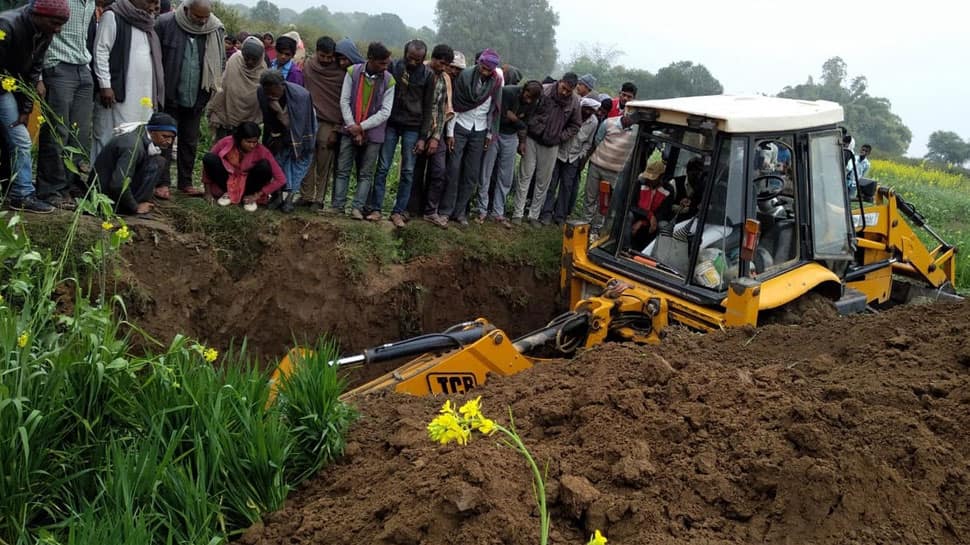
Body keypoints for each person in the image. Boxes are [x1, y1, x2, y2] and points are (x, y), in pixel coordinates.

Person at [0, 0, 70, 214]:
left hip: (11, 86)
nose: (58, 30)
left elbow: (33, 69)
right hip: (3, 86)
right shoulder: (6, 25)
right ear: (38, 15)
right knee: (19, 137)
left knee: (14, 137)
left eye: (62, 24)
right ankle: (21, 194)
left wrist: (26, 108)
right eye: (55, 23)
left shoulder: (43, 31)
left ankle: (15, 190)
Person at [155, 0, 225, 197]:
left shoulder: (214, 29)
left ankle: (185, 182)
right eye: (198, 17)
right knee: (165, 141)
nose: (203, 21)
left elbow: (219, 61)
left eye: (206, 17)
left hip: (196, 97)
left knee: (190, 141)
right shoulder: (165, 23)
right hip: (169, 96)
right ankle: (162, 183)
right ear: (186, 10)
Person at [35, 0, 97, 210]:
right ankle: (51, 190)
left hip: (82, 67)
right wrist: (40, 76)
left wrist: (87, 67)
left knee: (79, 134)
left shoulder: (90, 3)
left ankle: (70, 186)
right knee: (56, 131)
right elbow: (39, 32)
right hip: (58, 66)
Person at [436, 47, 502, 226]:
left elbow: (494, 109)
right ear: (479, 63)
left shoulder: (496, 82)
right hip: (460, 126)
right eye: (483, 67)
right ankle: (445, 211)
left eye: (489, 70)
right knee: (453, 169)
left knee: (471, 173)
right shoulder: (465, 77)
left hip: (480, 130)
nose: (485, 72)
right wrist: (449, 133)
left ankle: (461, 212)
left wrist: (489, 134)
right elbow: (455, 105)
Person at [369, 39, 430, 227]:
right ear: (405, 54)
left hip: (413, 126)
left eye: (418, 60)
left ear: (423, 59)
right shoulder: (393, 67)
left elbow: (428, 108)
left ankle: (398, 212)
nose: (413, 62)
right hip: (392, 123)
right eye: (410, 58)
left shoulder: (428, 76)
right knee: (383, 166)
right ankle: (376, 208)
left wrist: (423, 137)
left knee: (408, 170)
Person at [91, 0, 162, 160]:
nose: (153, 7)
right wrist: (105, 85)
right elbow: (101, 51)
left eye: (155, 2)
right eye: (149, 1)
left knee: (138, 137)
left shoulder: (148, 23)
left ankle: (128, 179)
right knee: (110, 135)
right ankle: (101, 181)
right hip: (118, 93)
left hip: (143, 96)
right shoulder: (113, 16)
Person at [332, 42, 395, 220]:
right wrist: (353, 126)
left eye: (387, 63)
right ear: (371, 60)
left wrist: (361, 127)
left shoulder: (389, 80)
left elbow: (385, 112)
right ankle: (338, 206)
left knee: (366, 173)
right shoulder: (352, 72)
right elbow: (344, 101)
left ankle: (357, 208)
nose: (385, 67)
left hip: (373, 133)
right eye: (382, 63)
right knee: (343, 169)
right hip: (349, 128)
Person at [511, 72, 582, 225]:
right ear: (560, 81)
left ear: (574, 89)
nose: (564, 92)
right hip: (532, 138)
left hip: (552, 144)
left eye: (568, 91)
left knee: (543, 182)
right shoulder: (544, 90)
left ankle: (533, 216)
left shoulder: (575, 102)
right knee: (525, 176)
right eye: (563, 88)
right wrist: (526, 132)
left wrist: (560, 136)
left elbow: (576, 125)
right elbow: (528, 110)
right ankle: (517, 213)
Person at [474, 80, 540, 227]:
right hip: (495, 132)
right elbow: (501, 116)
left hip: (511, 137)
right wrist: (516, 119)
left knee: (506, 176)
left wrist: (516, 124)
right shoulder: (508, 92)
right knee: (486, 172)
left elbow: (524, 124)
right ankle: (481, 209)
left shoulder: (533, 103)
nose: (527, 100)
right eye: (527, 96)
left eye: (531, 99)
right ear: (524, 90)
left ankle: (498, 212)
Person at [91, 111, 176, 215]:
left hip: (109, 190)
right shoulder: (133, 146)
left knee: (158, 160)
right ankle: (129, 208)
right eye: (165, 136)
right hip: (103, 197)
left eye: (172, 138)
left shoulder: (140, 137)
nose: (169, 141)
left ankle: (135, 203)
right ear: (152, 132)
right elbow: (118, 184)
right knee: (157, 163)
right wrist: (134, 207)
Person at [257, 69, 316, 213]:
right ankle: (277, 197)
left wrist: (279, 112)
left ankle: (289, 199)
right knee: (277, 163)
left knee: (295, 165)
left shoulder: (300, 96)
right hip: (276, 132)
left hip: (301, 133)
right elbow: (267, 117)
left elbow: (296, 125)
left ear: (282, 85)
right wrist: (276, 136)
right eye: (267, 92)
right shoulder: (261, 93)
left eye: (273, 92)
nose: (270, 95)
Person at [411, 43, 454, 227]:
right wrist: (423, 135)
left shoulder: (445, 78)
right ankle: (411, 210)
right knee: (415, 171)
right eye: (441, 63)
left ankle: (430, 211)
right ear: (434, 59)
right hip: (417, 128)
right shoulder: (422, 73)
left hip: (436, 130)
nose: (443, 67)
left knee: (438, 172)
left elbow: (443, 108)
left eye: (447, 65)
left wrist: (436, 137)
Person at [541, 95, 600, 224]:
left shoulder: (594, 122)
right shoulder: (572, 113)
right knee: (551, 184)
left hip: (574, 158)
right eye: (586, 108)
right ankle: (546, 213)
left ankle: (560, 216)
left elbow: (588, 143)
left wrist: (581, 155)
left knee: (566, 188)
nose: (588, 112)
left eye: (591, 110)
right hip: (559, 153)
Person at [201, 121, 286, 211]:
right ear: (239, 139)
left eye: (255, 142)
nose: (252, 145)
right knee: (209, 158)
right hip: (227, 181)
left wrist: (256, 195)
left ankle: (246, 196)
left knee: (264, 166)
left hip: (248, 186)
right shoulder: (226, 142)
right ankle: (230, 192)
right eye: (248, 142)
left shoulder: (262, 151)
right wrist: (207, 192)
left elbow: (281, 179)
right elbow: (208, 164)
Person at [302, 35, 344, 209]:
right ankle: (305, 196)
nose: (326, 60)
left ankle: (319, 200)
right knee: (307, 160)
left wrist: (336, 129)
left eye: (330, 57)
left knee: (324, 162)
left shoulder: (340, 74)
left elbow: (343, 102)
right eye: (323, 56)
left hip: (330, 123)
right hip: (309, 120)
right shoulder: (308, 66)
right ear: (317, 52)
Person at [583, 113, 638, 235]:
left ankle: (596, 228)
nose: (632, 119)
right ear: (626, 112)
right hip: (597, 165)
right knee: (590, 196)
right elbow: (598, 140)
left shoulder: (636, 131)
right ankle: (585, 224)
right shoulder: (608, 123)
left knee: (605, 202)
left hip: (615, 172)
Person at [208, 36, 265, 140]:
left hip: (250, 120)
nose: (250, 62)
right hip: (227, 115)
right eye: (247, 58)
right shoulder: (235, 61)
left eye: (254, 60)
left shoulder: (262, 70)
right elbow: (224, 86)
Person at [630, 159, 673, 251]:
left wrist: (645, 222)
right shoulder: (639, 184)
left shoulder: (668, 190)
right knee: (628, 216)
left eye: (653, 178)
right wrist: (648, 216)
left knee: (664, 225)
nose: (649, 180)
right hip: (639, 216)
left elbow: (664, 213)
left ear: (661, 177)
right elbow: (632, 205)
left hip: (654, 222)